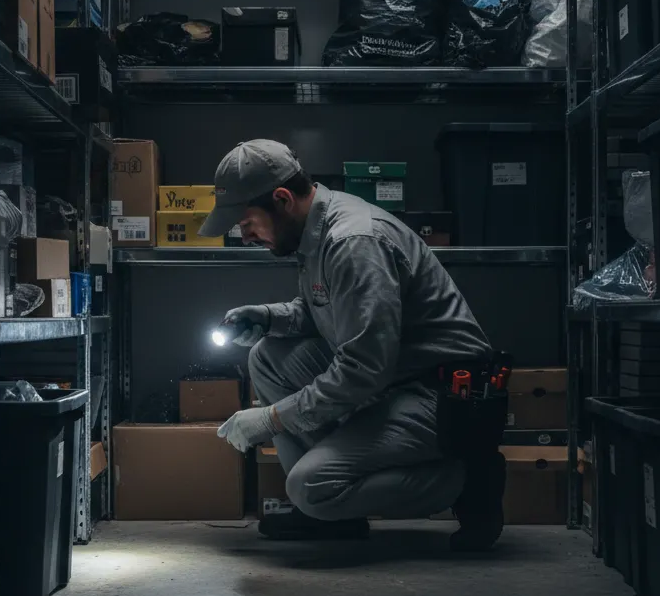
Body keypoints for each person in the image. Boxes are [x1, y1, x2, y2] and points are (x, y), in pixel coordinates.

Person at [200, 139, 505, 550]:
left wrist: (272, 418)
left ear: (282, 199)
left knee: (311, 486)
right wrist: (269, 318)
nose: (245, 235)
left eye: (246, 222)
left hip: (443, 396)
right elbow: (327, 310)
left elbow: (362, 370)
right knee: (268, 356)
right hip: (394, 377)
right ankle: (326, 516)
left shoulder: (353, 242)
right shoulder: (313, 231)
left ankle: (464, 480)